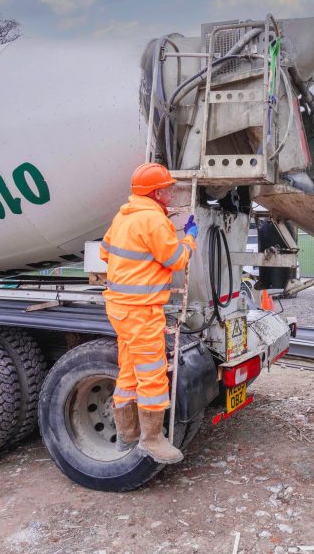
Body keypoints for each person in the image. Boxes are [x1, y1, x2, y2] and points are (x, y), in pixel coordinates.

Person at [100, 163, 198, 464]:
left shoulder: (124, 215)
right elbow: (175, 259)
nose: (171, 192)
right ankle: (153, 440)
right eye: (168, 188)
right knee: (152, 374)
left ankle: (127, 433)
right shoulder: (154, 222)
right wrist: (189, 237)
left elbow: (105, 252)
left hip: (119, 307)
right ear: (157, 192)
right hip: (141, 310)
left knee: (129, 371)